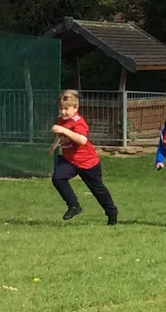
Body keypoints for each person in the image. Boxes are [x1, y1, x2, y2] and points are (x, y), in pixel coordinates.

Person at [49, 90, 118, 225]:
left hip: (88, 162)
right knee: (58, 178)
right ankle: (74, 206)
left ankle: (112, 212)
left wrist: (64, 130)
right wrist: (54, 146)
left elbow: (82, 140)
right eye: (61, 108)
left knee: (98, 190)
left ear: (75, 108)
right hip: (70, 160)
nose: (63, 112)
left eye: (66, 109)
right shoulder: (61, 120)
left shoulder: (78, 122)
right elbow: (59, 135)